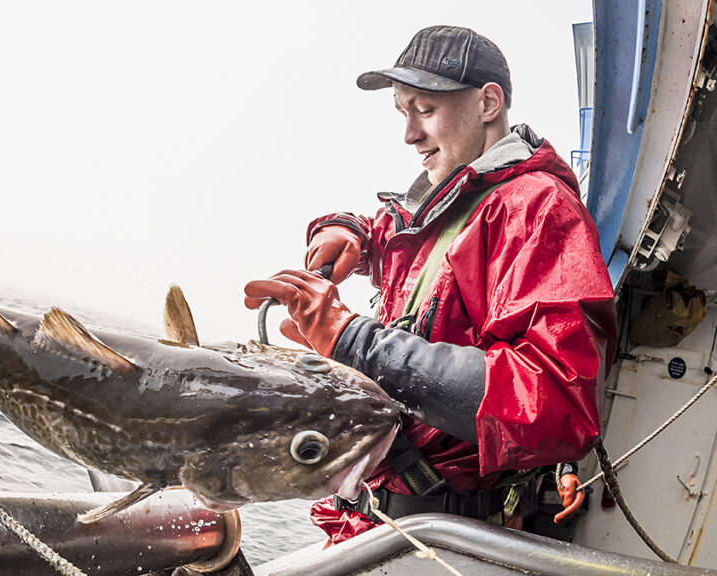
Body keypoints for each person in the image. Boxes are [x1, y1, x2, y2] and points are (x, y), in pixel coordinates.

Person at [243, 25, 617, 543]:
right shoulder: (447, 203)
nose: (409, 135)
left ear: (489, 103)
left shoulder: (536, 208)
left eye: (425, 110)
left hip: (446, 539)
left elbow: (555, 401)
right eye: (403, 113)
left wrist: (353, 342)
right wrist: (346, 230)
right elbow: (401, 244)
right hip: (376, 523)